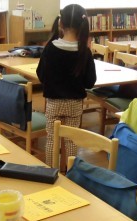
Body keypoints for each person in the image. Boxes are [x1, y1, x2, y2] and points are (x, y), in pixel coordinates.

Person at [37, 3, 96, 166]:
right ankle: (71, 172)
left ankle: (52, 171)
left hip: (53, 103)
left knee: (52, 139)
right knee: (71, 141)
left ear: (60, 23)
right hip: (74, 104)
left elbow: (41, 75)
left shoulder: (50, 48)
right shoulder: (85, 51)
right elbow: (90, 82)